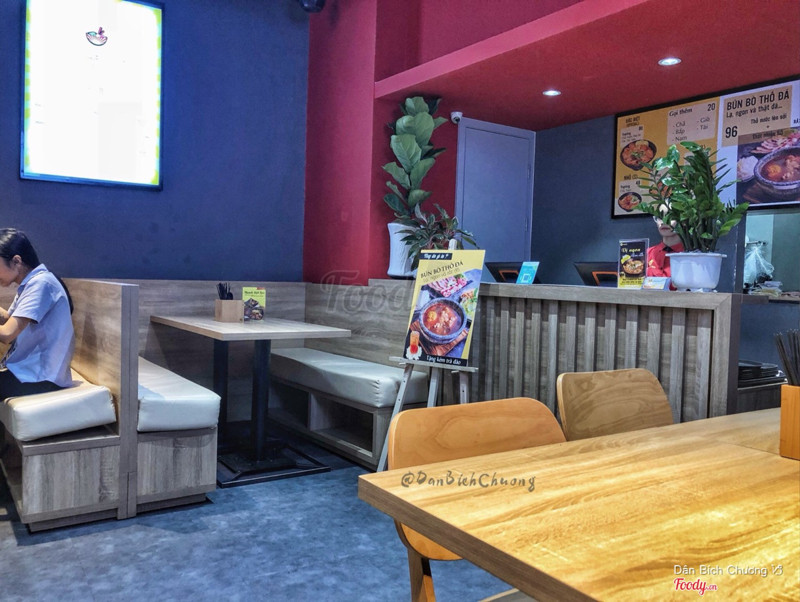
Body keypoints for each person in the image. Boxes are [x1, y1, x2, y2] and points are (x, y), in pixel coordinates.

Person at [0, 228, 75, 400]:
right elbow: (9, 321)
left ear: (16, 261)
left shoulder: (41, 283)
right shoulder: (30, 283)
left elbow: (7, 334)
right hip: (28, 372)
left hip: (41, 377)